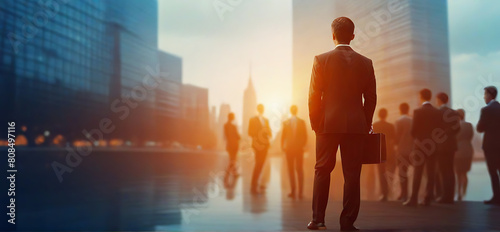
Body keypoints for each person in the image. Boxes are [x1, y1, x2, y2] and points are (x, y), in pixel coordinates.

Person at [307, 17, 377, 231]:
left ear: (333, 35)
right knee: (352, 174)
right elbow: (371, 98)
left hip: (327, 125)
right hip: (356, 126)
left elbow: (313, 97)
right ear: (353, 36)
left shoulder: (321, 60)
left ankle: (318, 219)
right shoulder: (366, 63)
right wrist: (365, 123)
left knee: (322, 170)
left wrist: (316, 123)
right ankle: (347, 223)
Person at [403, 88, 441, 207]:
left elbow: (413, 130)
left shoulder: (417, 112)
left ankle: (413, 198)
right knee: (431, 173)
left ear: (421, 97)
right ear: (430, 97)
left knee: (417, 172)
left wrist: (418, 140)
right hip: (433, 146)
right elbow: (440, 130)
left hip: (419, 146)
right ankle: (427, 199)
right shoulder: (437, 112)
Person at [435, 92, 460, 204]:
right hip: (451, 145)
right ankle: (451, 196)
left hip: (441, 145)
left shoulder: (437, 113)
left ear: (439, 100)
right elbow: (457, 129)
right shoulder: (454, 113)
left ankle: (444, 196)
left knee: (443, 171)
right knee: (451, 170)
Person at [477, 86, 500, 205]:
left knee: (493, 172)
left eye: (485, 94)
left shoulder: (485, 110)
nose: (484, 97)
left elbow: (479, 128)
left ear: (489, 95)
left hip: (490, 146)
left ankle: (497, 197)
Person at [281, 105, 308, 199]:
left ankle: (295, 191)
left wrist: (283, 147)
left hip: (291, 149)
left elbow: (283, 137)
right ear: (297, 111)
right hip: (295, 149)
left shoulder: (287, 122)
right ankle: (298, 192)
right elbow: (305, 136)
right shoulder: (301, 122)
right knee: (299, 170)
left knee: (292, 170)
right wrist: (302, 145)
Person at [372, 108, 396, 202]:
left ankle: (384, 194)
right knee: (390, 173)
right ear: (386, 115)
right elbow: (394, 140)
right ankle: (390, 191)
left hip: (379, 152)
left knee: (381, 174)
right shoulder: (390, 126)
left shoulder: (375, 125)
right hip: (390, 152)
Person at [248, 104, 272, 195]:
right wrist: (258, 135)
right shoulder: (252, 120)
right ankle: (253, 186)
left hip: (265, 146)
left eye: (263, 108)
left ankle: (256, 183)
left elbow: (269, 132)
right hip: (257, 146)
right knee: (258, 164)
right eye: (260, 108)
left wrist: (267, 134)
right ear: (258, 109)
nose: (261, 110)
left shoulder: (266, 120)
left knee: (261, 165)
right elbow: (250, 132)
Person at [454, 109, 474, 201]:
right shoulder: (469, 125)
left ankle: (459, 193)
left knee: (458, 173)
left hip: (457, 151)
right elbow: (471, 137)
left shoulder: (455, 126)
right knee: (464, 173)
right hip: (468, 150)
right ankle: (464, 192)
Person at [395, 103, 413, 201]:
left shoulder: (399, 121)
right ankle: (410, 193)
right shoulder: (412, 120)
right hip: (412, 150)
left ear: (400, 110)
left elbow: (396, 137)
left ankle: (404, 193)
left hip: (401, 150)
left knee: (402, 172)